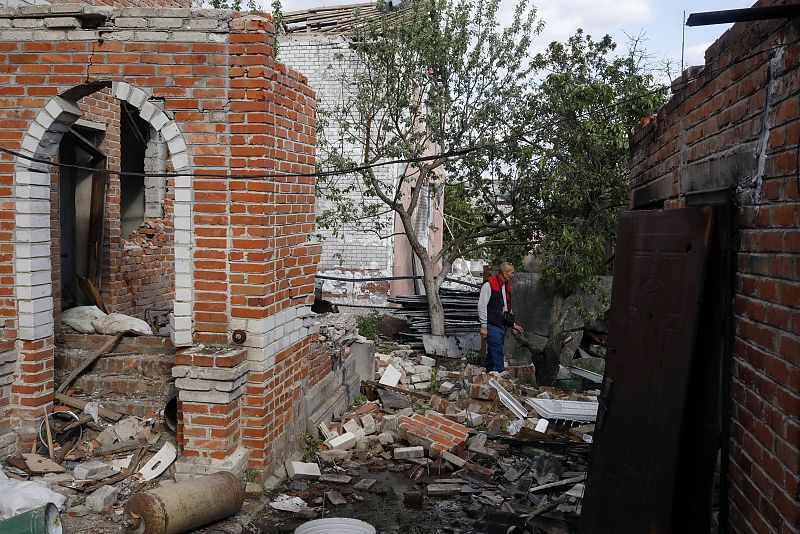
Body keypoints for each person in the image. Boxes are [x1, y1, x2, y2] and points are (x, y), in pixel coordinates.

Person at [477, 262, 523, 373]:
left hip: (501, 324)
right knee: (497, 350)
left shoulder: (506, 286)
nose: (513, 275)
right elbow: (481, 306)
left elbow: (507, 307)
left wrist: (513, 324)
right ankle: (501, 373)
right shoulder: (489, 284)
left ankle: (487, 372)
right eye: (512, 273)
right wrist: (483, 326)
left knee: (493, 351)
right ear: (505, 273)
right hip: (491, 324)